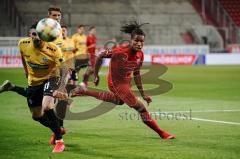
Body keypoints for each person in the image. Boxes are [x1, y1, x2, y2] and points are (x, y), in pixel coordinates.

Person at [72, 20, 175, 139]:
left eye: (142, 41)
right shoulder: (119, 51)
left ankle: (83, 91)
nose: (139, 44)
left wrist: (143, 94)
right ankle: (161, 133)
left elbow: (136, 74)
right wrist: (96, 74)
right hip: (116, 83)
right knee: (141, 108)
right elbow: (100, 55)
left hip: (126, 83)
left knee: (119, 101)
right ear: (131, 40)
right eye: (136, 40)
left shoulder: (140, 55)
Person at [19, 22, 68, 152]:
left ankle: (59, 142)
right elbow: (23, 57)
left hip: (51, 78)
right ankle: (58, 129)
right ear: (30, 36)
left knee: (47, 106)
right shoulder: (23, 44)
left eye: (40, 34)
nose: (37, 37)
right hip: (33, 83)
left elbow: (65, 69)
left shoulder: (53, 49)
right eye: (34, 34)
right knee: (36, 116)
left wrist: (62, 87)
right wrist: (26, 71)